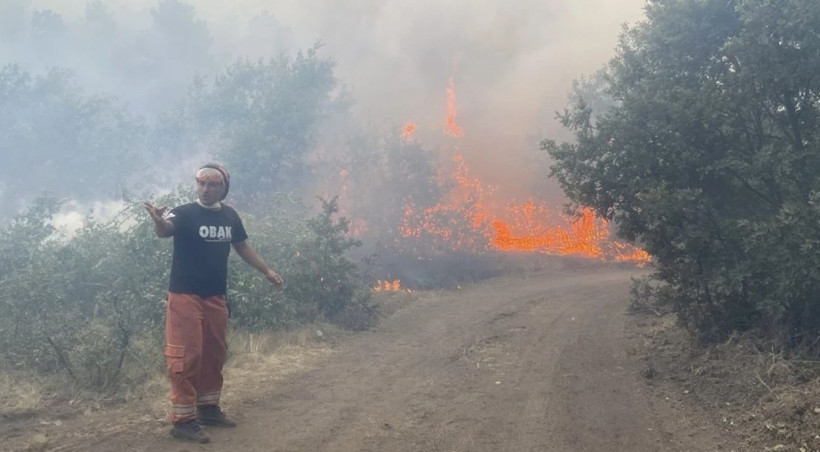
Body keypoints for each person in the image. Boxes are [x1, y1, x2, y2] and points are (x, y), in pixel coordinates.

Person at [144, 163, 283, 444]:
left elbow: (242, 246)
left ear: (223, 188)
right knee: (186, 356)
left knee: (214, 353)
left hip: (215, 297)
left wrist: (267, 270)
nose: (205, 189)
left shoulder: (230, 216)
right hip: (185, 296)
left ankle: (208, 409)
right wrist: (158, 220)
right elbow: (165, 230)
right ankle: (182, 421)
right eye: (201, 183)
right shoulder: (182, 212)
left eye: (212, 184)